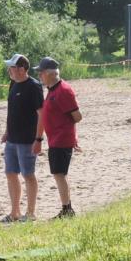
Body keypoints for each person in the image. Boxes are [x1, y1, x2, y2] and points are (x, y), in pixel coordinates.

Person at [35, 57, 82, 219]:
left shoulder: (63, 90)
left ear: (49, 74)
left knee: (59, 174)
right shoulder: (52, 90)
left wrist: (71, 134)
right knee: (59, 174)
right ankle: (66, 208)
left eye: (41, 72)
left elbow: (77, 116)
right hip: (56, 139)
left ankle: (67, 209)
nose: (39, 75)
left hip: (61, 139)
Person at [0, 53, 43, 222]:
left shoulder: (34, 86)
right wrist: (7, 131)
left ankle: (31, 213)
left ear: (21, 69)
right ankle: (15, 212)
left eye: (12, 67)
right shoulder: (13, 84)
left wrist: (38, 139)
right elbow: (11, 111)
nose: (9, 70)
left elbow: (42, 114)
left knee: (28, 175)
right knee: (11, 173)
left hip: (27, 140)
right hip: (12, 139)